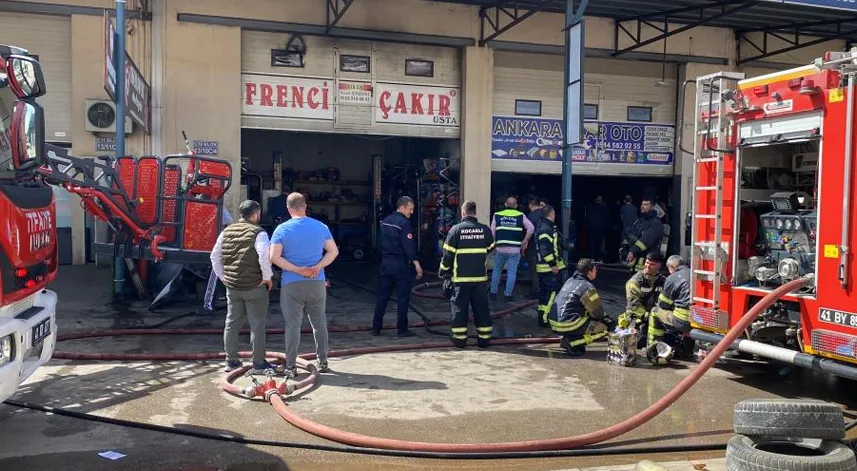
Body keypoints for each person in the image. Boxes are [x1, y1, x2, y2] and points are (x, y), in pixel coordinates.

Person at [269, 193, 339, 378]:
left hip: (292, 284)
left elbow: (274, 257)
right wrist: (318, 266)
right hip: (316, 282)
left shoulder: (281, 230)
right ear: (305, 206)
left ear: (288, 208)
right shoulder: (320, 226)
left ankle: (291, 367)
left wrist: (297, 270)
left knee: (292, 326)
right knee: (319, 323)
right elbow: (333, 251)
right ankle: (323, 361)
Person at [209, 201, 274, 374]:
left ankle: (231, 361)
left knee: (231, 323)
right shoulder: (259, 233)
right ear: (255, 214)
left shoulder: (226, 231)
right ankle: (258, 363)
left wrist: (224, 278)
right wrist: (267, 278)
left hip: (233, 287)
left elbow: (214, 257)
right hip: (254, 286)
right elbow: (263, 258)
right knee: (257, 325)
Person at [438, 200, 495, 349]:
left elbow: (447, 255)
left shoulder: (455, 230)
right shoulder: (485, 230)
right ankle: (484, 339)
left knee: (459, 309)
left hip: (461, 280)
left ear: (463, 213)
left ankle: (460, 339)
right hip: (480, 279)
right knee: (482, 308)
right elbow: (491, 248)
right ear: (474, 212)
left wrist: (443, 271)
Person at [372, 196, 423, 337]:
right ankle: (402, 329)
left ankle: (376, 328)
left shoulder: (385, 221)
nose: (411, 212)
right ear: (402, 207)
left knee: (382, 297)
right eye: (410, 209)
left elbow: (379, 243)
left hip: (386, 263)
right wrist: (416, 264)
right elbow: (409, 247)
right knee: (403, 298)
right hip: (400, 264)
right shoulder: (404, 223)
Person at [548, 258, 613, 357]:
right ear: (589, 272)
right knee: (605, 328)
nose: (596, 271)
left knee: (585, 316)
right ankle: (573, 343)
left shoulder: (570, 280)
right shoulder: (588, 287)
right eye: (595, 269)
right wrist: (608, 321)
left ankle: (570, 338)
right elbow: (597, 314)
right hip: (568, 324)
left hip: (554, 322)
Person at [647, 255, 691, 364]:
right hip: (699, 320)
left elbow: (663, 304)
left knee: (655, 312)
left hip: (682, 321)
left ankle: (655, 347)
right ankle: (687, 351)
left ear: (672, 266)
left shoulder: (673, 277)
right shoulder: (695, 273)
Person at [490, 196, 534, 302]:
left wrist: (493, 245)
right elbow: (531, 228)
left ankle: (493, 293)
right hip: (515, 249)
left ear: (505, 204)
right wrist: (525, 240)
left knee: (497, 270)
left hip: (500, 248)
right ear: (516, 205)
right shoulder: (520, 215)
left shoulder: (497, 215)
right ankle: (508, 295)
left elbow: (492, 232)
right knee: (512, 272)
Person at [618, 252, 666, 343]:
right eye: (647, 263)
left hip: (657, 317)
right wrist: (650, 317)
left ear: (659, 265)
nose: (648, 266)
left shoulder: (663, 281)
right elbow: (634, 305)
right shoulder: (634, 281)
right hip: (639, 317)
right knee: (639, 339)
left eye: (652, 264)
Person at [535, 205, 567, 328]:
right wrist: (553, 265)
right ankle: (545, 318)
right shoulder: (545, 229)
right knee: (551, 293)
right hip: (548, 269)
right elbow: (545, 250)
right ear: (551, 214)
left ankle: (542, 316)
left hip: (545, 268)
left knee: (544, 294)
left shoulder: (546, 227)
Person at [204, 206, 234, 311]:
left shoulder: (219, 208)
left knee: (215, 270)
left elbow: (229, 223)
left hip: (213, 244)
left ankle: (208, 305)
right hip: (210, 243)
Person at [624, 196, 665, 272]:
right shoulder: (639, 221)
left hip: (649, 261)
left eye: (646, 204)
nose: (642, 206)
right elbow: (632, 235)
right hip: (637, 262)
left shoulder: (655, 223)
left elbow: (646, 240)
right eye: (642, 204)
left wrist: (633, 250)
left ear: (652, 207)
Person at [525, 197, 545, 299]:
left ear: (530, 205)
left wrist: (525, 243)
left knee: (534, 270)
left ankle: (536, 291)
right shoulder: (544, 214)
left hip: (533, 246)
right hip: (544, 247)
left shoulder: (531, 215)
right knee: (543, 269)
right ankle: (543, 289)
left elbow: (528, 230)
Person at [586, 195, 610, 263]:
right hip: (600, 228)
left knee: (592, 243)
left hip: (592, 227)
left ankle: (592, 258)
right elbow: (607, 218)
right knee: (599, 243)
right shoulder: (604, 208)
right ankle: (598, 258)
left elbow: (587, 217)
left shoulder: (591, 207)